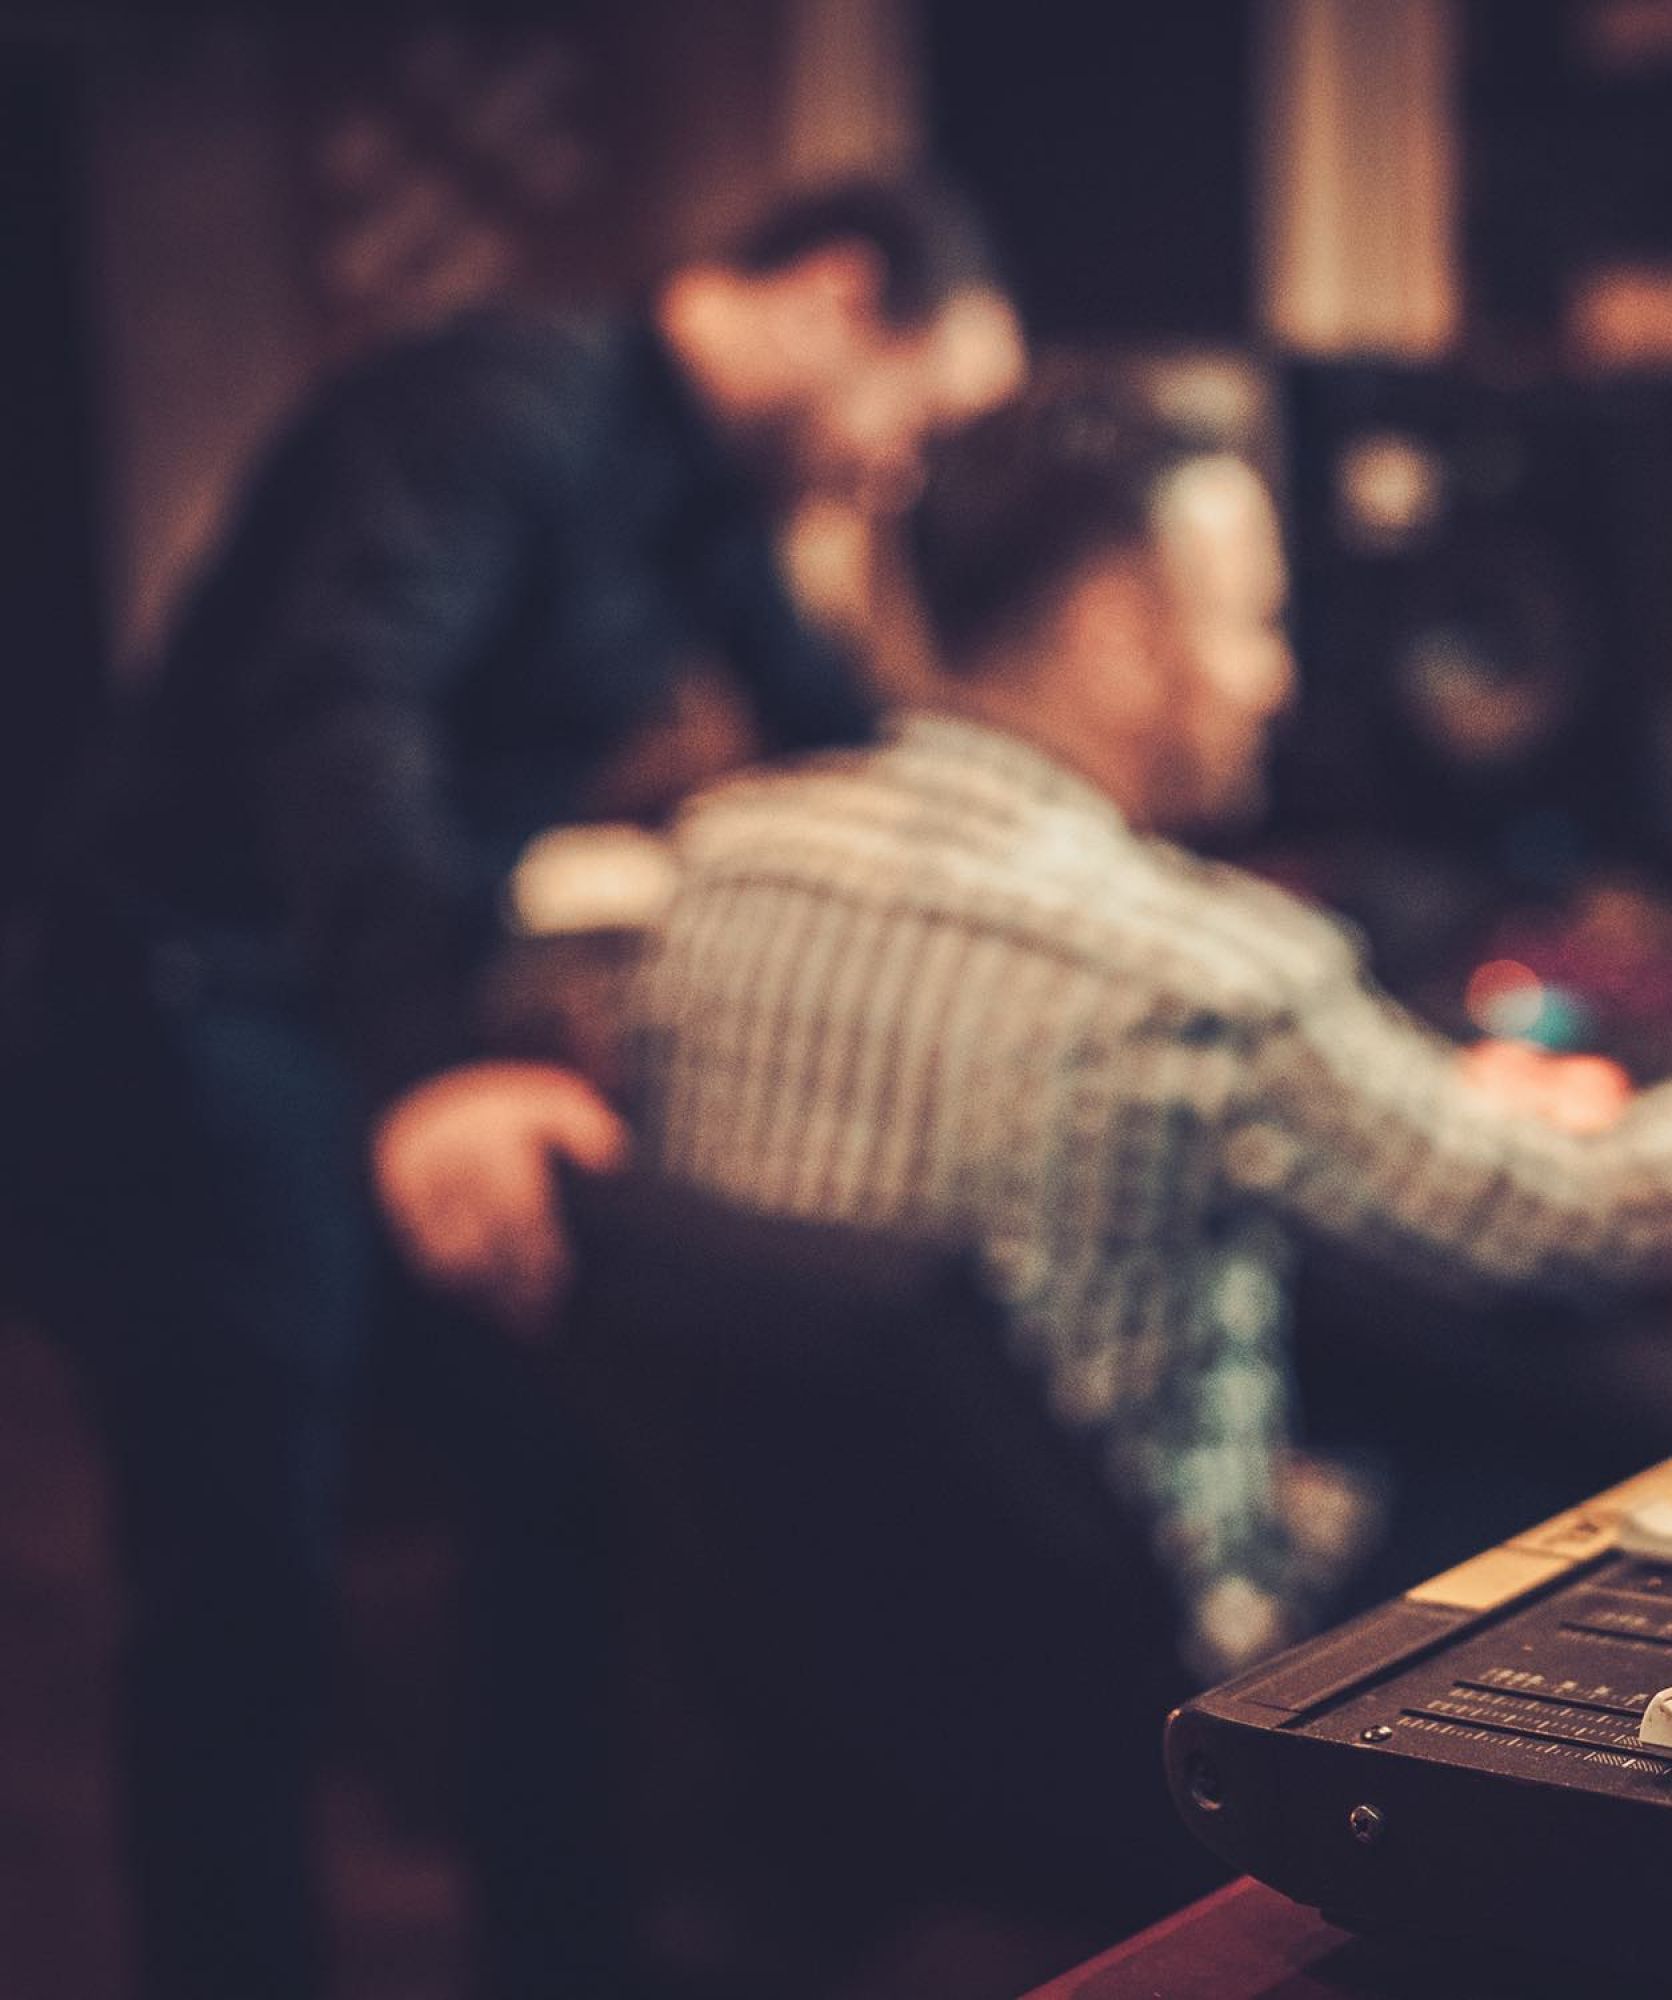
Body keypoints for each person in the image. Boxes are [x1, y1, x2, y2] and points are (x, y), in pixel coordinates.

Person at [2, 179, 1023, 1999]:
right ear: (839, 298)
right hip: (185, 1009)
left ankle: (561, 1949)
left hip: (347, 1015)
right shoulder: (507, 405)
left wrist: (1045, 859)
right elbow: (343, 708)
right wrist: (440, 1061)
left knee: (558, 1465)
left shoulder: (703, 493)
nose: (900, 472)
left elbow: (833, 726)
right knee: (244, 1576)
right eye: (919, 419)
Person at [630, 389, 1672, 1685]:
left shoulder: (729, 857)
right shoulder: (1200, 977)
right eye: (1254, 621)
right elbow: (1586, 1216)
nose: (1275, 680)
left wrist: (1408, 1106)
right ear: (1120, 634)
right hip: (1171, 1696)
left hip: (848, 1657)